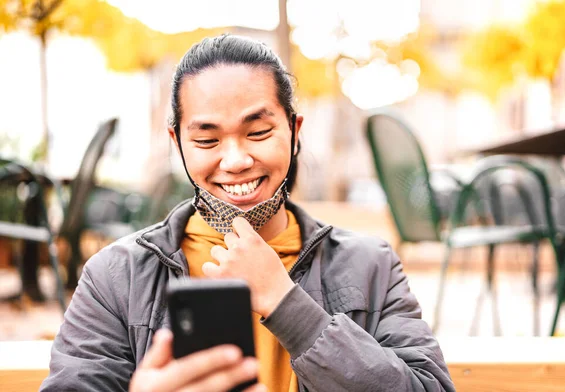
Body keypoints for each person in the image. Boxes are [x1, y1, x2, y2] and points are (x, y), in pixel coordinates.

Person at [41, 34, 455, 392]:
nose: (236, 160)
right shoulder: (116, 276)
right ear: (177, 142)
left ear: (295, 132)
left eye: (258, 132)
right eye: (206, 139)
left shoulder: (372, 266)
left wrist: (285, 302)